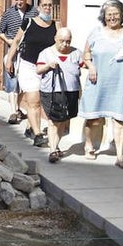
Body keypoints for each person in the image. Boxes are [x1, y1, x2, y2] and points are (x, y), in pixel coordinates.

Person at [80, 0, 123, 169]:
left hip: (120, 84)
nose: (112, 17)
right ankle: (89, 145)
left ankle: (119, 156)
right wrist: (91, 67)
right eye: (109, 14)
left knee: (120, 121)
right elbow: (86, 53)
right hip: (98, 82)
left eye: (116, 14)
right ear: (104, 16)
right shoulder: (96, 33)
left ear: (122, 15)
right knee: (94, 120)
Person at [6, 0, 57, 148]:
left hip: (47, 68)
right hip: (29, 66)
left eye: (50, 5)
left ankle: (30, 127)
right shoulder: (28, 22)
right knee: (33, 100)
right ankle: (38, 134)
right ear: (38, 7)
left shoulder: (56, 25)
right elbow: (16, 41)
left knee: (42, 101)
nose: (47, 8)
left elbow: (60, 45)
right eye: (44, 5)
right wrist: (9, 60)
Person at [36, 28, 84, 163]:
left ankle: (55, 146)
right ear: (55, 39)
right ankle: (52, 150)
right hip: (52, 91)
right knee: (53, 121)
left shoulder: (76, 53)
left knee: (63, 119)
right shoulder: (46, 53)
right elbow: (38, 70)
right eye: (62, 41)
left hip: (71, 91)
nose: (65, 44)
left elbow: (85, 64)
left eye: (68, 42)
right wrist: (48, 66)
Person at [0, 0, 37, 125]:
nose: (19, 2)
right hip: (13, 53)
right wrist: (9, 41)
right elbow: (0, 31)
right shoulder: (9, 13)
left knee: (23, 84)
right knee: (12, 82)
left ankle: (18, 108)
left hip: (29, 53)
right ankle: (13, 111)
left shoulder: (34, 12)